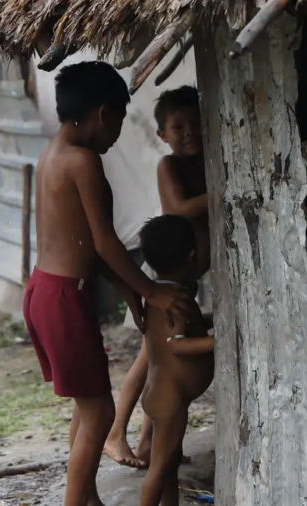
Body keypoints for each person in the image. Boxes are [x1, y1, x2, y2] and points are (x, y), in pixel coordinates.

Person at [22, 62, 193, 506]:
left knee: (88, 405)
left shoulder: (51, 155)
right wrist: (152, 290)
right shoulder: (84, 162)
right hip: (64, 296)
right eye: (119, 119)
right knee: (100, 412)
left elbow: (84, 245)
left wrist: (129, 291)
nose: (118, 132)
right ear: (103, 113)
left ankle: (85, 496)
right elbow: (105, 242)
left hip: (44, 290)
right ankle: (77, 500)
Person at [104, 85, 211, 468]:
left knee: (159, 365)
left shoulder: (206, 162)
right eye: (178, 126)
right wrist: (225, 189)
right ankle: (116, 433)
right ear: (162, 135)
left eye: (196, 124)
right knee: (148, 361)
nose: (189, 133)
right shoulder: (170, 166)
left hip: (185, 279)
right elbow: (179, 209)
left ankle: (151, 443)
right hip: (164, 278)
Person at [137, 214, 215, 506]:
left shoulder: (161, 295)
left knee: (169, 464)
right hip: (170, 400)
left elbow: (187, 326)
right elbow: (177, 344)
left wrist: (214, 318)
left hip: (159, 393)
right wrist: (213, 343)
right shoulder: (176, 298)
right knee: (158, 469)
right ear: (192, 256)